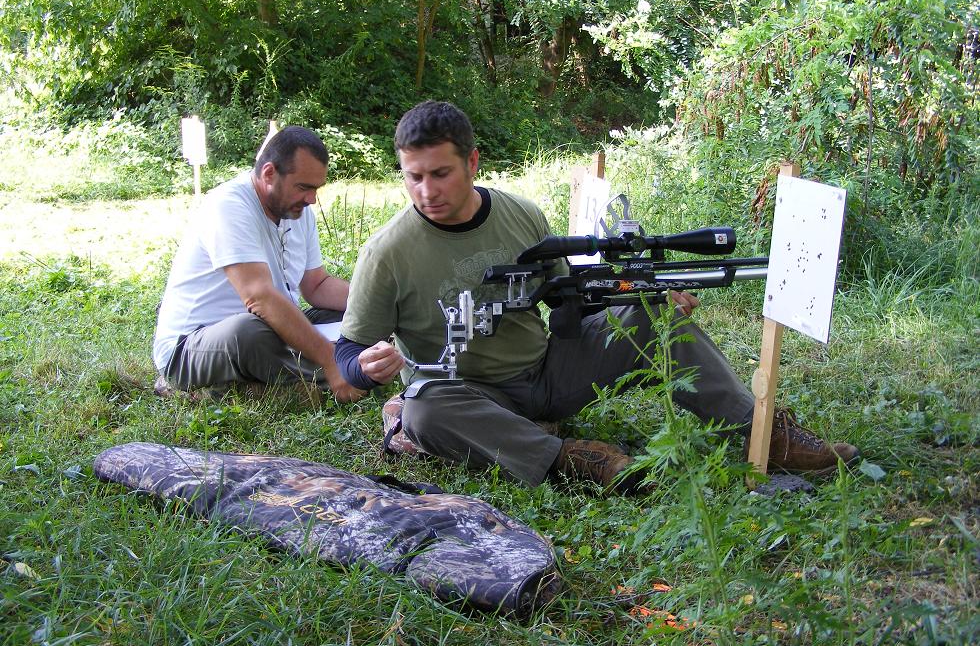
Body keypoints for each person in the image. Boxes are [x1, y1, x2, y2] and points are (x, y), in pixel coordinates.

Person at [335, 101, 858, 491]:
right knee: (423, 414)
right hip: (469, 395)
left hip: (548, 370)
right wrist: (365, 367)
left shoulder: (521, 214)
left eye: (440, 173)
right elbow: (347, 354)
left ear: (472, 162)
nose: (427, 191)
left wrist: (642, 296)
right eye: (413, 177)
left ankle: (760, 434)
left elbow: (572, 300)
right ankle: (571, 459)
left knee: (652, 318)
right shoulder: (387, 252)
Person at [153, 125, 363, 402]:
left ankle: (314, 375)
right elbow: (259, 298)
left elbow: (317, 285)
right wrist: (328, 358)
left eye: (316, 189)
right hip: (193, 347)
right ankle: (343, 375)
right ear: (269, 174)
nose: (311, 199)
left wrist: (376, 307)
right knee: (247, 332)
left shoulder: (298, 211)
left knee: (350, 315)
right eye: (303, 187)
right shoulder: (228, 206)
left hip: (271, 331)